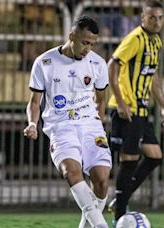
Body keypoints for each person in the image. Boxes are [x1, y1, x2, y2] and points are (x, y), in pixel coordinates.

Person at [23, 15, 111, 228]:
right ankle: (101, 226)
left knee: (101, 179)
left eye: (92, 44)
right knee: (71, 171)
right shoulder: (45, 62)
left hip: (91, 125)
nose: (88, 48)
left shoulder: (98, 64)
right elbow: (35, 102)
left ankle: (88, 224)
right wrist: (32, 124)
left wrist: (99, 120)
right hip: (60, 126)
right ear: (72, 36)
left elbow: (101, 98)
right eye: (84, 42)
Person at [106, 0, 164, 225]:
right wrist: (122, 102)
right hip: (126, 110)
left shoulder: (156, 41)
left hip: (141, 110)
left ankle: (121, 198)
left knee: (155, 156)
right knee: (128, 160)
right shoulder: (135, 39)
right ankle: (119, 215)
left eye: (160, 18)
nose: (157, 22)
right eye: (152, 17)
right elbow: (112, 65)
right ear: (143, 18)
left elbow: (153, 78)